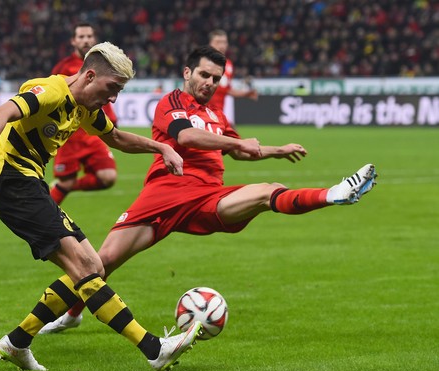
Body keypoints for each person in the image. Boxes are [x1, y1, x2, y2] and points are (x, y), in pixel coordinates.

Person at [39, 45, 378, 334]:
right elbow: (186, 136)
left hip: (207, 196)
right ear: (187, 72)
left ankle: (334, 194)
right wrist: (237, 142)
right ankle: (66, 316)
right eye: (204, 75)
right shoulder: (170, 102)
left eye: (216, 78)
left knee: (267, 192)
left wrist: (276, 149)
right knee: (101, 263)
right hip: (166, 193)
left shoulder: (216, 116)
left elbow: (238, 148)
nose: (209, 83)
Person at [0, 42, 204, 371]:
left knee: (94, 265)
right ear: (90, 76)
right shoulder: (51, 91)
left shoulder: (84, 108)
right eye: (112, 88)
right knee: (85, 270)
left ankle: (18, 342)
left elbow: (116, 138)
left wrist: (161, 146)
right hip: (11, 183)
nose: (114, 98)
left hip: (31, 184)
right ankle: (153, 348)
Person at [49, 23, 119, 204]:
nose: (86, 40)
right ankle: (38, 219)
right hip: (70, 136)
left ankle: (63, 187)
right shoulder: (63, 68)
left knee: (108, 177)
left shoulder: (104, 65)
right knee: (66, 181)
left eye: (89, 36)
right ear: (73, 41)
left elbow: (106, 94)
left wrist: (112, 121)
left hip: (93, 133)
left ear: (94, 39)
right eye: (81, 37)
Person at [207, 29, 258, 114]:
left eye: (224, 42)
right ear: (210, 44)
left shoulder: (228, 65)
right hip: (202, 114)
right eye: (218, 42)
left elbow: (227, 90)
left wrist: (246, 94)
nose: (222, 46)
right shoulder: (202, 62)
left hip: (218, 114)